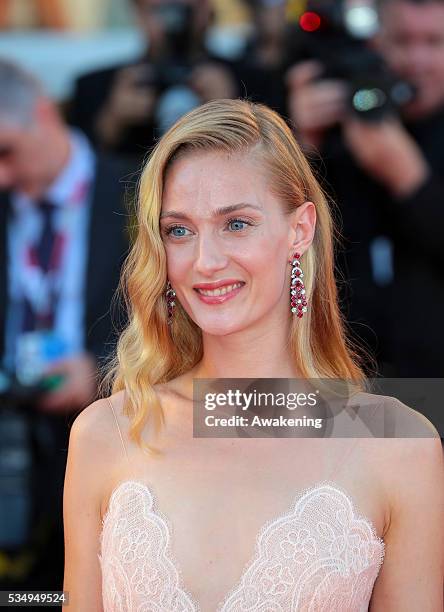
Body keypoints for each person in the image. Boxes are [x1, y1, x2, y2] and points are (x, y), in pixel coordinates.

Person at [63, 99, 443, 610]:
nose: (206, 261)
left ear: (299, 230)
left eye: (236, 223)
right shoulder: (105, 434)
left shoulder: (403, 444)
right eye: (180, 230)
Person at [0, 59, 132, 591]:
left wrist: (101, 374)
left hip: (113, 435)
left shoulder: (137, 190)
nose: (2, 175)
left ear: (44, 113)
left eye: (6, 150)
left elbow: (180, 320)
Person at [287, 0, 444, 376]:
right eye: (402, 42)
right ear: (375, 43)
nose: (416, 61)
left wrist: (406, 176)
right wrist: (301, 146)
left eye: (434, 42)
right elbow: (289, 256)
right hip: (346, 382)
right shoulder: (339, 127)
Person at [70, 0, 238, 161]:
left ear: (205, 7)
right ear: (138, 12)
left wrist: (231, 112)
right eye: (161, 10)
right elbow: (74, 172)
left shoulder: (247, 79)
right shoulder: (97, 86)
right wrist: (111, 122)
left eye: (183, 9)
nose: (173, 21)